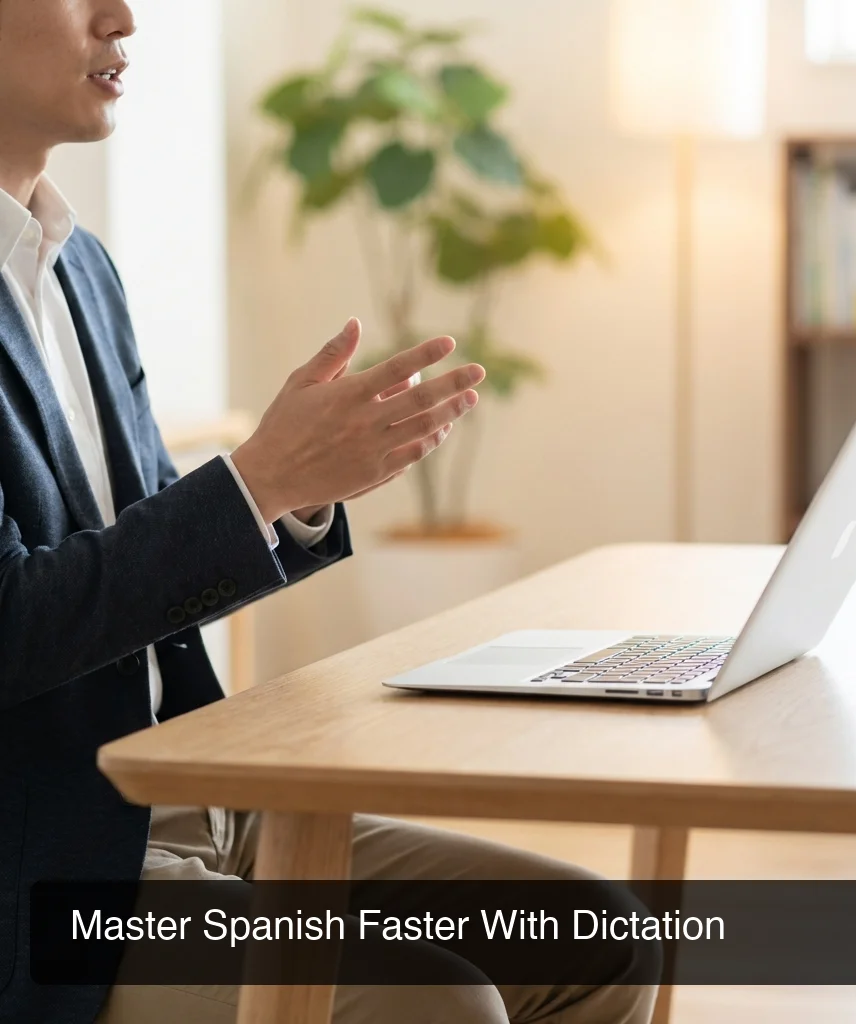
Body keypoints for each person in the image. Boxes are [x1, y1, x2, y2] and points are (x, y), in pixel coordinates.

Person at [0, 2, 659, 1021]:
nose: (122, 16)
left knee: (596, 934)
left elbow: (124, 543)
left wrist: (295, 496)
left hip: (194, 803)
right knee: (434, 1004)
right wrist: (256, 480)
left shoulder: (79, 267)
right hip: (48, 875)